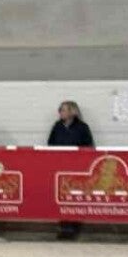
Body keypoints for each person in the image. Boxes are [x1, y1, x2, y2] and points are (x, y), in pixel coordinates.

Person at [47, 101, 94, 241]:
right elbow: (50, 144)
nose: (60, 112)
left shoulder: (83, 127)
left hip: (77, 168)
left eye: (63, 110)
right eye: (60, 110)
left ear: (72, 111)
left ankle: (74, 226)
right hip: (59, 167)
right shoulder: (57, 127)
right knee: (61, 196)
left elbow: (89, 146)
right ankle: (63, 225)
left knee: (75, 196)